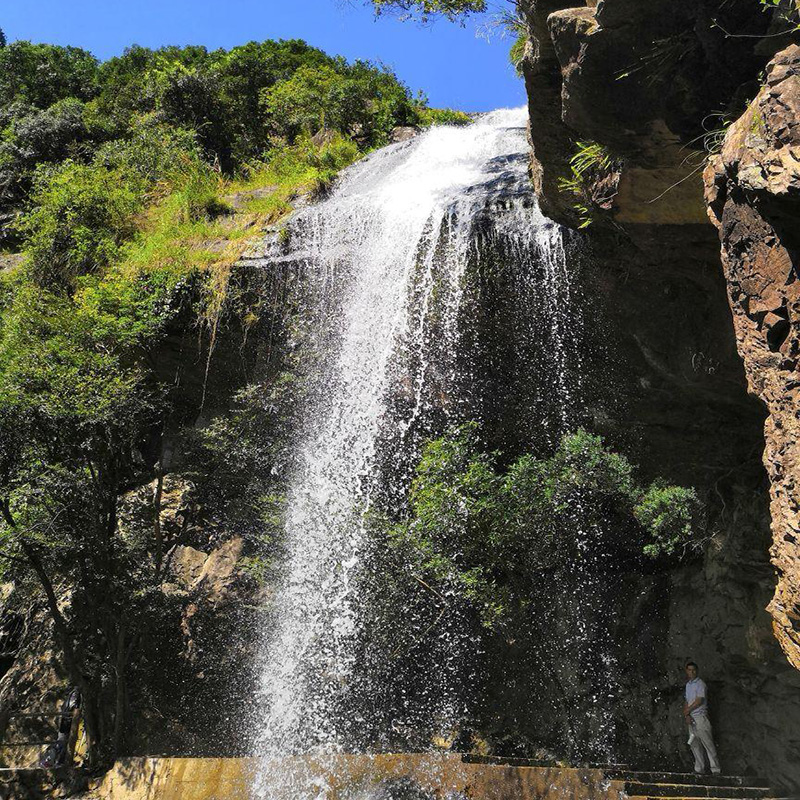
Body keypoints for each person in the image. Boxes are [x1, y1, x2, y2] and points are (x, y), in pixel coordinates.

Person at [683, 661, 721, 775]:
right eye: (689, 670)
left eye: (694, 670)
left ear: (697, 671)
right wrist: (687, 715)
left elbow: (699, 701)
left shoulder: (701, 684)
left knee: (708, 743)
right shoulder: (688, 685)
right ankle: (699, 769)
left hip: (701, 717)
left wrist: (687, 711)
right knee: (694, 744)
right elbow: (687, 701)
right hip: (691, 718)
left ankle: (715, 770)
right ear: (686, 671)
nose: (692, 672)